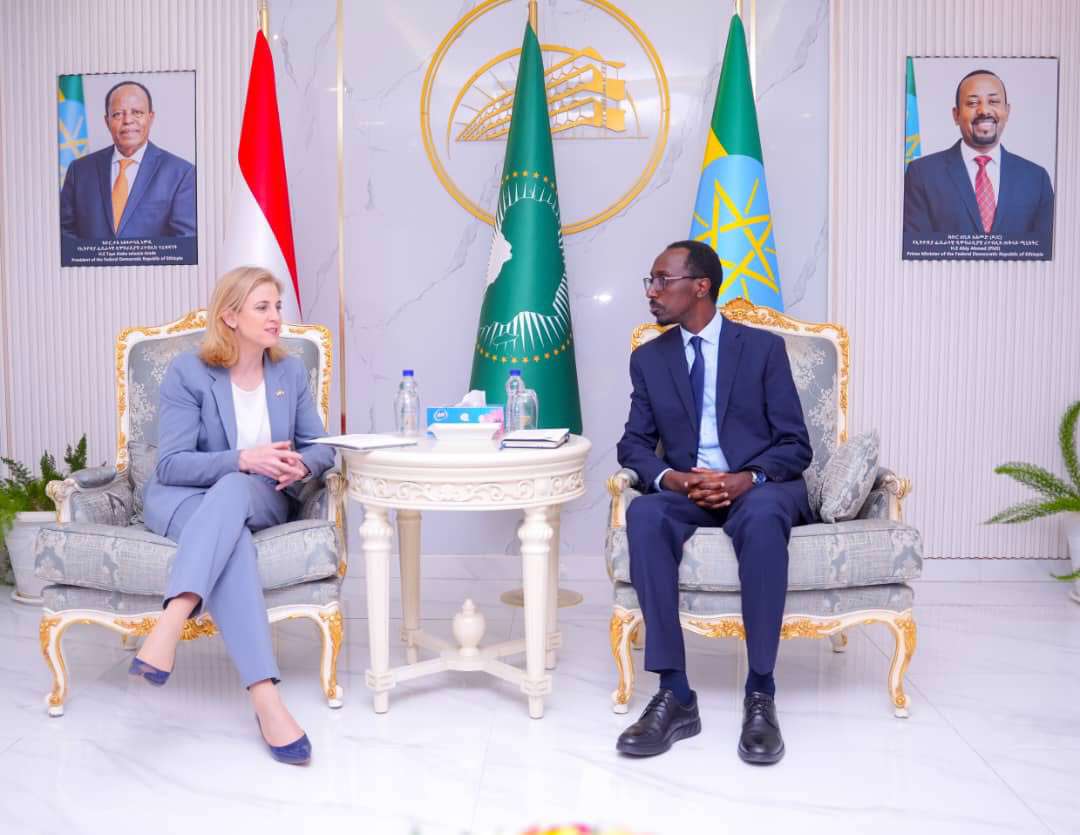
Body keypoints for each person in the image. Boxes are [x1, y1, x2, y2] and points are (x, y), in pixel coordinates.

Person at [614, 240, 812, 765]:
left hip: (755, 489)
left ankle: (761, 691)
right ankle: (675, 692)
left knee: (765, 516)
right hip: (690, 489)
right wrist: (674, 480)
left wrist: (747, 478)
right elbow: (634, 444)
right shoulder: (649, 359)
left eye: (663, 280)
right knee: (644, 513)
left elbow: (796, 445)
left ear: (700, 286)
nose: (652, 291)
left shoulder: (762, 349)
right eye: (651, 281)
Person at [135, 266, 335, 765]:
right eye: (262, 307)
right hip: (184, 498)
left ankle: (172, 619)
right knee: (233, 541)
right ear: (229, 316)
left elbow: (321, 447)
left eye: (277, 306)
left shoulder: (290, 372)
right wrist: (244, 458)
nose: (275, 317)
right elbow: (171, 465)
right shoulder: (188, 372)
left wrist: (301, 465)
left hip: (260, 496)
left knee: (232, 492)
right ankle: (267, 701)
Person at [903, 69, 1054, 253]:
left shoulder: (1036, 179)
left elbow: (1045, 253)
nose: (984, 110)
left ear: (1007, 111)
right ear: (956, 115)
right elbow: (917, 251)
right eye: (973, 103)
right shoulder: (922, 174)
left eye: (993, 101)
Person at [60, 80, 196, 240]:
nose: (127, 121)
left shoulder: (181, 174)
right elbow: (64, 234)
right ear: (107, 121)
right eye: (117, 114)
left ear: (150, 118)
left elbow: (185, 241)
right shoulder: (79, 171)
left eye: (137, 112)